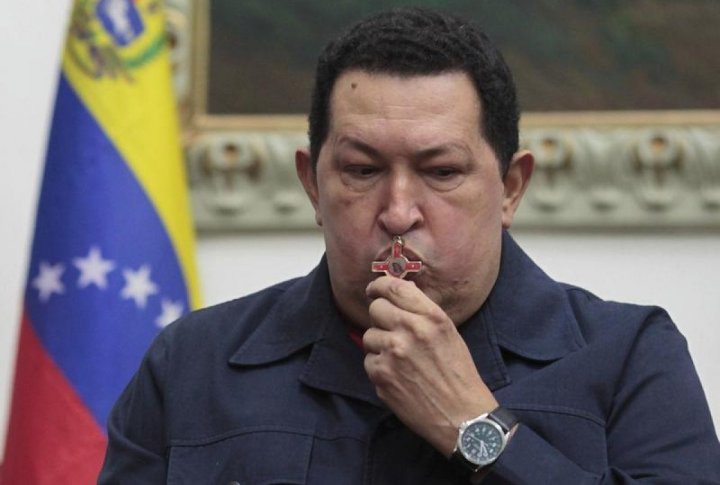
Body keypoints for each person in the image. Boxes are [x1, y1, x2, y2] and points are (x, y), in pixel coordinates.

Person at [99, 7, 720, 484]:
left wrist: (478, 428)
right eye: (362, 171)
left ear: (509, 188)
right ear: (313, 185)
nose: (398, 213)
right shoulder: (191, 364)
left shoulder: (631, 357)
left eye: (442, 172)